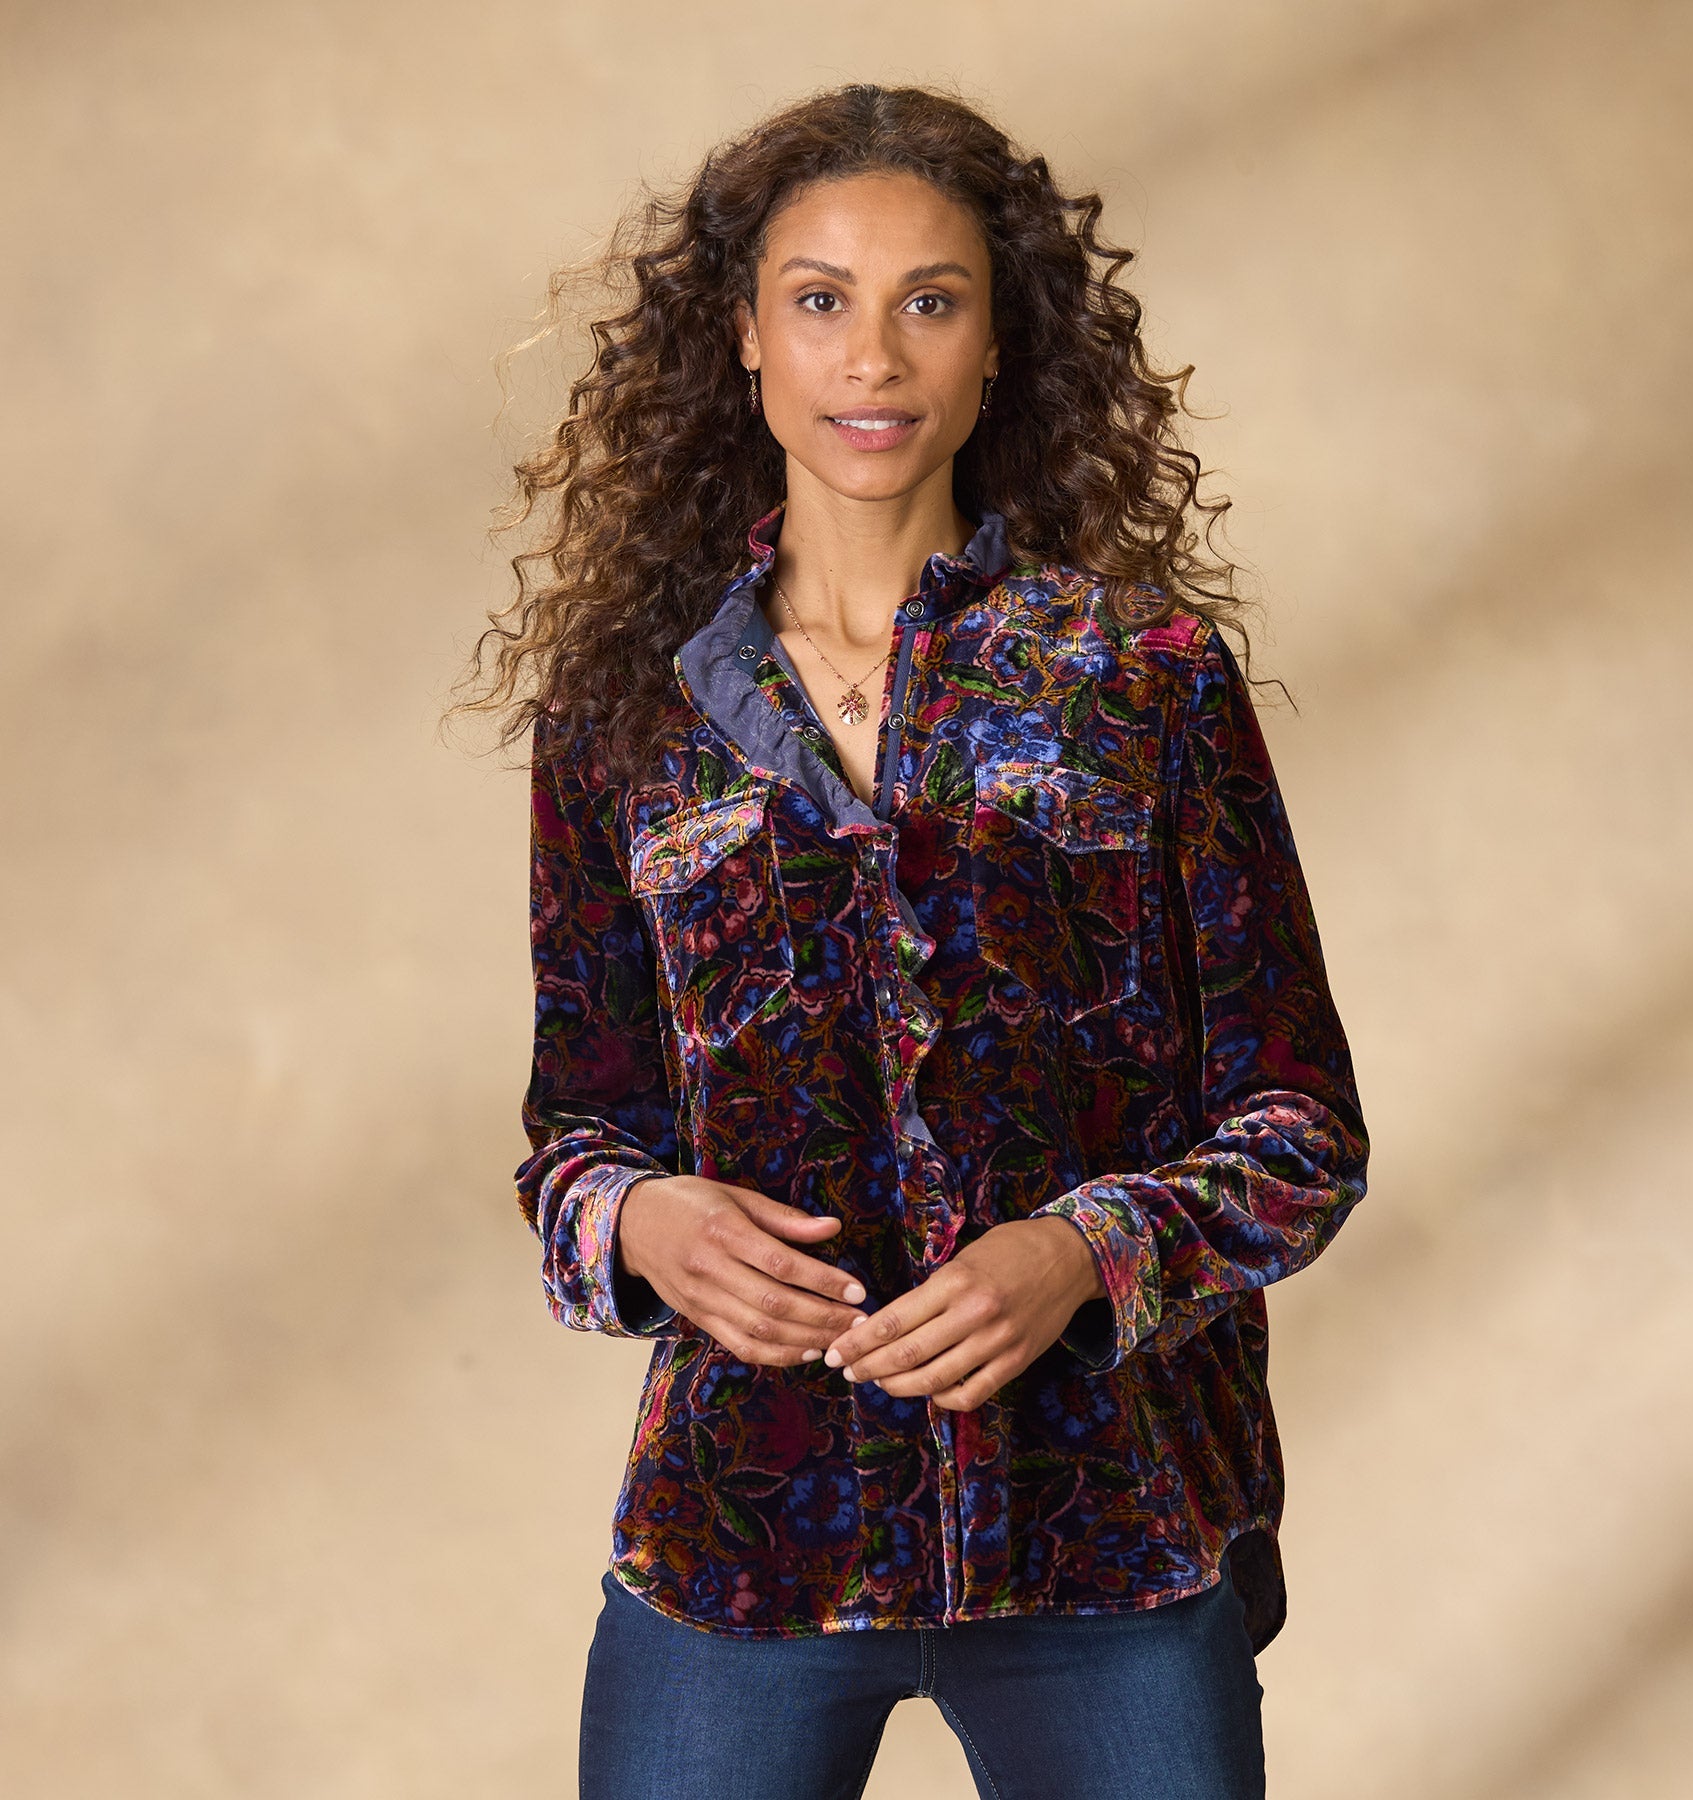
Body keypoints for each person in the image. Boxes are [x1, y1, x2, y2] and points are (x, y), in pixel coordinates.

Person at [460, 81, 1368, 1800]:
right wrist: (640, 1219)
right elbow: (575, 1129)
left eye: (929, 301)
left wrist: (1081, 1254)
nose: (872, 356)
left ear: (1000, 344)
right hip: (745, 1541)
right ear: (744, 336)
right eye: (820, 299)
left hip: (1108, 1538)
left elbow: (1301, 1134)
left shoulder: (1142, 681)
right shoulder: (622, 720)